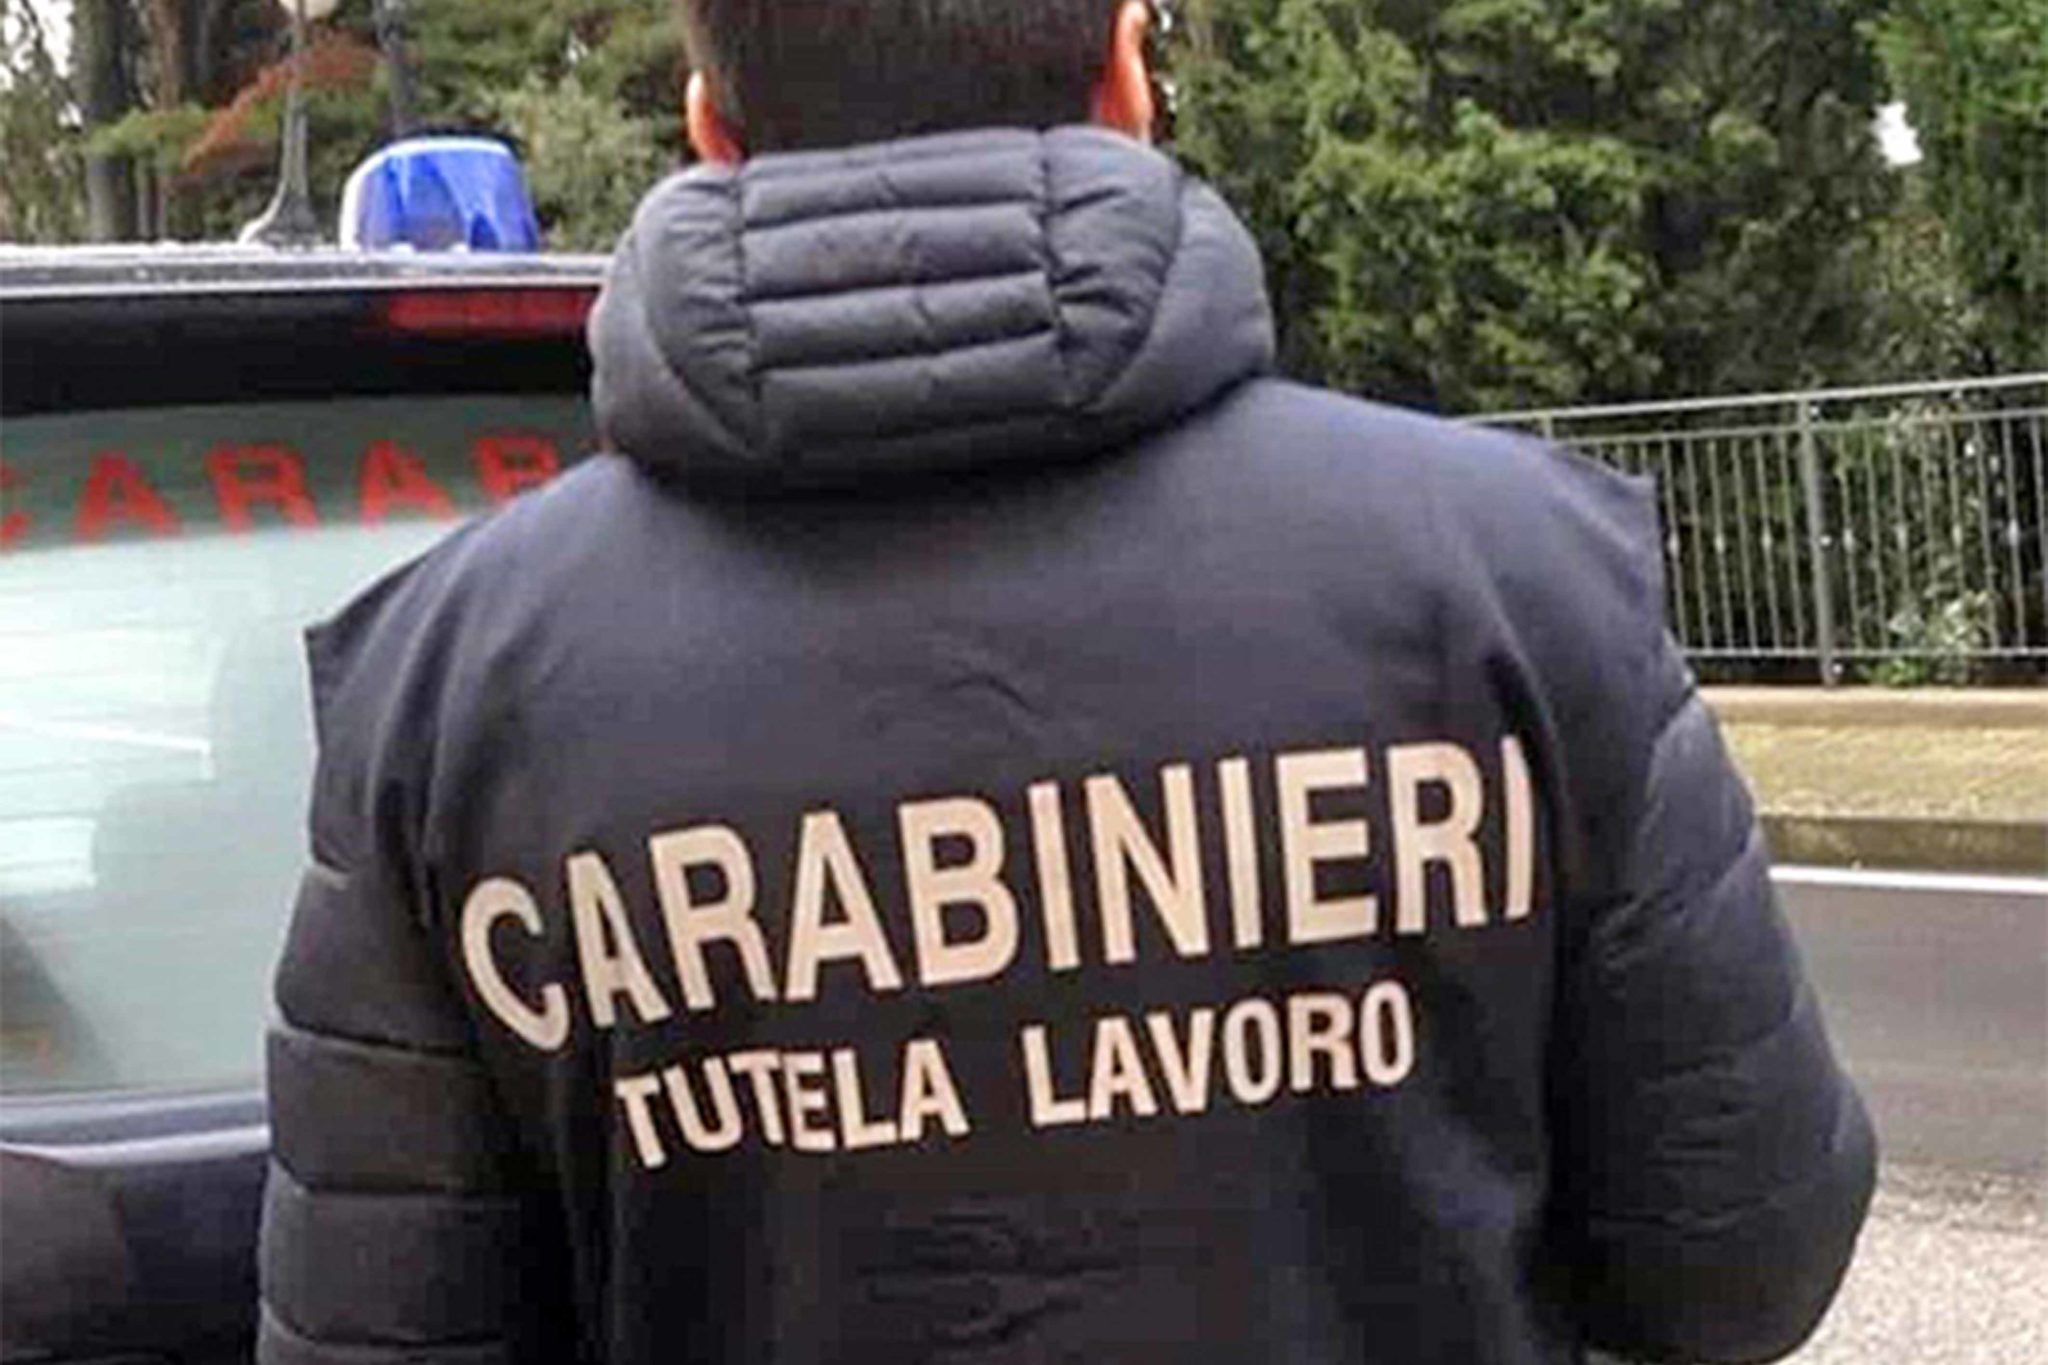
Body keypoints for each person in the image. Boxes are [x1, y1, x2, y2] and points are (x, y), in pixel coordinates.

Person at [257, 3, 1876, 1362]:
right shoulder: (1518, 579)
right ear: (1127, 73)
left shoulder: (444, 697)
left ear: (708, 126)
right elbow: (1740, 1259)